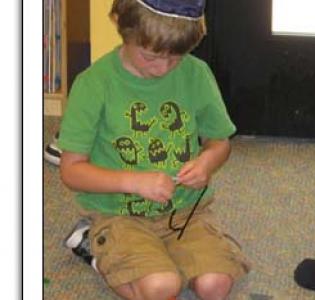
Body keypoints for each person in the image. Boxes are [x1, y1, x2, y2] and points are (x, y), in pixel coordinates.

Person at [58, 0, 250, 299]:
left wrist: (206, 163)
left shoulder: (196, 74)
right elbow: (71, 171)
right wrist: (133, 181)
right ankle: (96, 251)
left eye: (176, 57)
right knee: (163, 287)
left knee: (216, 285)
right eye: (150, 56)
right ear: (124, 28)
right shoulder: (94, 84)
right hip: (119, 215)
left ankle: (159, 258)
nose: (163, 68)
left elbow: (219, 142)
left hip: (186, 211)